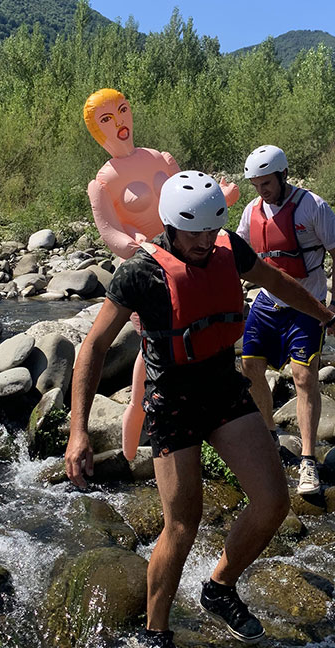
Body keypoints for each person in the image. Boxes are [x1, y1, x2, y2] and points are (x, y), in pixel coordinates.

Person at [65, 171, 335, 648]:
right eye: (195, 231)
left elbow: (278, 281)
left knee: (273, 502)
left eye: (211, 229)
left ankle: (219, 587)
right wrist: (78, 430)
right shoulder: (140, 271)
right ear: (170, 224)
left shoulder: (227, 246)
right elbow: (94, 347)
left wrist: (332, 318)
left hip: (224, 389)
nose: (205, 241)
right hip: (173, 403)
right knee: (182, 525)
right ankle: (155, 633)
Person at [83, 89, 238, 461]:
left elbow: (192, 199)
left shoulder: (160, 159)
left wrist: (221, 199)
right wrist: (136, 246)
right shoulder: (103, 182)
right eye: (107, 119)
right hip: (148, 271)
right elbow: (110, 233)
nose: (119, 122)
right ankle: (133, 448)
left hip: (190, 259)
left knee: (201, 330)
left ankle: (215, 416)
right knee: (153, 348)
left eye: (122, 110)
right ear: (96, 131)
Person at [237, 145, 335, 496]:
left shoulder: (312, 206)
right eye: (256, 184)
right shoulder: (251, 211)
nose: (262, 190)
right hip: (267, 304)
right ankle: (269, 436)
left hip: (307, 306)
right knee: (250, 367)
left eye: (266, 183)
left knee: (303, 376)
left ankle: (307, 460)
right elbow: (237, 255)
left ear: (282, 175)